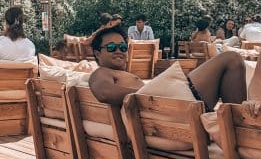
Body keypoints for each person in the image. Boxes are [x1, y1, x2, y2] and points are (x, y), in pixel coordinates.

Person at [89, 25, 246, 111]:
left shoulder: (118, 74)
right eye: (111, 47)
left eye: (122, 47)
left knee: (230, 64)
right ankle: (243, 128)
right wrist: (154, 96)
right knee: (231, 59)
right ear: (97, 53)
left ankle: (237, 125)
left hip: (171, 109)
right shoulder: (101, 73)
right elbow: (104, 92)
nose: (118, 50)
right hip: (175, 109)